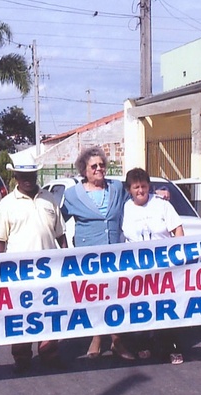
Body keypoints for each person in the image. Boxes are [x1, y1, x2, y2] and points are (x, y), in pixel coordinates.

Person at [61, 146, 134, 360]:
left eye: (102, 165)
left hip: (115, 254)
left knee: (115, 296)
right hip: (88, 256)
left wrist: (158, 196)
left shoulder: (117, 188)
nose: (99, 169)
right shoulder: (72, 194)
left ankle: (117, 341)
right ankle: (96, 337)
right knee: (94, 296)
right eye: (94, 166)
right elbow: (58, 220)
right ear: (84, 170)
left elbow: (136, 201)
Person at [0, 163, 68, 373]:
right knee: (21, 315)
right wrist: (0, 272)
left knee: (49, 312)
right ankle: (22, 356)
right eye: (22, 175)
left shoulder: (49, 199)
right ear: (15, 176)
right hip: (19, 273)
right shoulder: (7, 204)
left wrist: (66, 261)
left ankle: (49, 352)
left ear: (36, 175)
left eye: (31, 174)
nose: (27, 178)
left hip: (49, 271)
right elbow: (0, 242)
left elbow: (60, 235)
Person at [122, 168, 185, 365]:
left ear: (149, 186)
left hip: (164, 266)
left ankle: (172, 346)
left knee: (166, 306)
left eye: (143, 186)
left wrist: (177, 257)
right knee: (142, 306)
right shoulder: (127, 208)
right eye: (136, 187)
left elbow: (178, 230)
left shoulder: (161, 205)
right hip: (138, 268)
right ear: (129, 189)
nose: (140, 190)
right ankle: (143, 344)